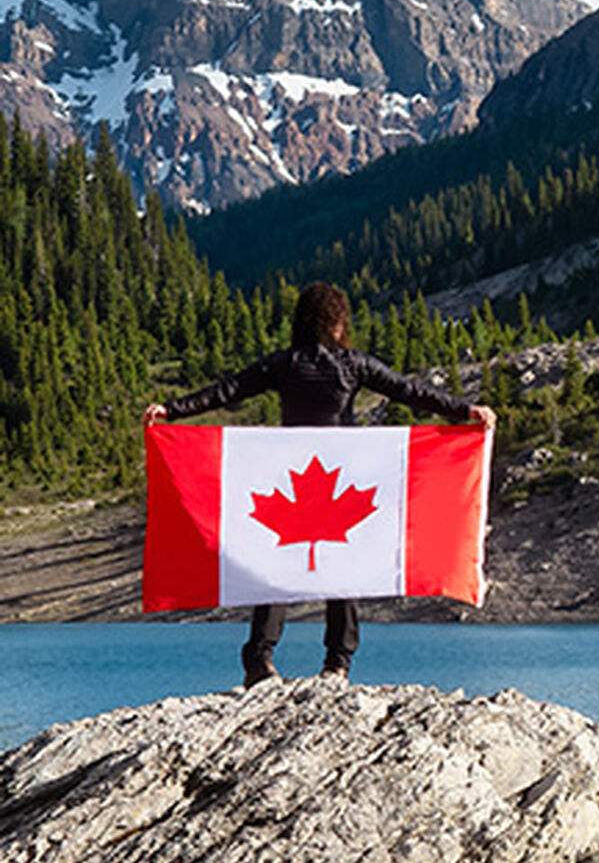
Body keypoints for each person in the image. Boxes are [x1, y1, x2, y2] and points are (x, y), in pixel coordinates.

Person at [144, 281, 495, 688]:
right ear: (339, 321)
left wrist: (173, 409)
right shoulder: (353, 364)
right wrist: (464, 410)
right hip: (340, 476)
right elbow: (409, 390)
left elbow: (228, 390)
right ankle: (338, 663)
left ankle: (259, 659)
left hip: (291, 477)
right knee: (343, 569)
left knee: (274, 566)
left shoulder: (284, 362)